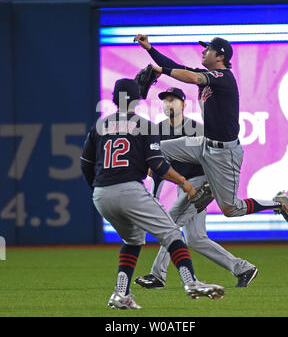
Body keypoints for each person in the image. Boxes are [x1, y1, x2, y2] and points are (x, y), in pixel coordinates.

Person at [80, 78, 225, 310]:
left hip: (101, 194)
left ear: (113, 99)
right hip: (129, 190)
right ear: (137, 100)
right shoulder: (145, 125)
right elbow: (158, 164)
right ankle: (191, 282)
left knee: (133, 240)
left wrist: (98, 189)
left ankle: (120, 294)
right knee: (172, 234)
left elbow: (86, 165)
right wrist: (184, 184)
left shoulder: (99, 126)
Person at [134, 34, 288, 224]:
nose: (203, 51)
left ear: (220, 56)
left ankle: (277, 203)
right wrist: (150, 49)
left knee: (231, 209)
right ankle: (157, 199)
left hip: (225, 154)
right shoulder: (210, 76)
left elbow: (192, 77)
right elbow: (178, 68)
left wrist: (161, 70)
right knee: (157, 149)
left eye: (208, 49)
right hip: (203, 144)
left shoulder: (223, 77)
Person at [135, 87, 257, 290]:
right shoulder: (156, 131)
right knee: (196, 238)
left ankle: (158, 276)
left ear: (183, 104)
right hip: (183, 187)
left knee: (170, 226)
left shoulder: (197, 129)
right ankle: (243, 268)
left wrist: (211, 186)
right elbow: (156, 168)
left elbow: (216, 160)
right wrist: (154, 196)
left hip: (200, 185)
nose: (168, 104)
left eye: (173, 100)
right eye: (165, 101)